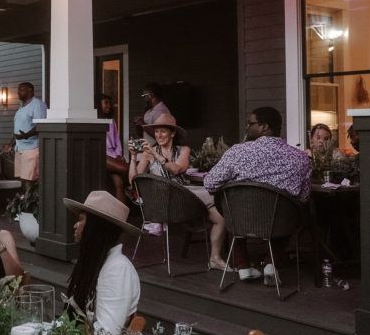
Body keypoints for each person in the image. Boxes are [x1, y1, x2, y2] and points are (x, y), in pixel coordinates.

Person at [203, 106, 311, 285]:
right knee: (291, 212)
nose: (246, 127)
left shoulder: (238, 152)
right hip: (280, 222)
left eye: (250, 123)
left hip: (241, 219)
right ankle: (271, 264)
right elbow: (304, 197)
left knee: (235, 209)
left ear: (264, 127)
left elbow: (210, 183)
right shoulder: (300, 158)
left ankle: (243, 265)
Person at [128, 113, 230, 270]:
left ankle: (215, 258)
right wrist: (134, 158)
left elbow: (176, 170)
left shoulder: (183, 150)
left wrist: (156, 154)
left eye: (163, 131)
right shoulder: (149, 153)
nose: (158, 135)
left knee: (220, 217)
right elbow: (133, 180)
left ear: (173, 133)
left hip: (183, 195)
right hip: (162, 199)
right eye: (156, 132)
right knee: (214, 195)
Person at [63, 190, 141, 335]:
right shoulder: (97, 263)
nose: (75, 225)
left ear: (95, 228)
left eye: (81, 219)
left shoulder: (118, 269)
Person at [6, 82, 47, 189]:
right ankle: (24, 204)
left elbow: (41, 125)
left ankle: (30, 205)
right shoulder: (22, 107)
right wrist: (10, 144)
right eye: (18, 90)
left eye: (21, 89)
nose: (18, 92)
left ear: (30, 90)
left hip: (31, 148)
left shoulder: (37, 104)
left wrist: (27, 135)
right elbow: (19, 130)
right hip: (20, 148)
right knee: (23, 180)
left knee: (30, 180)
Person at [100, 95, 129, 204]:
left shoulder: (112, 121)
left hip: (113, 155)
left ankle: (121, 218)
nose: (109, 106)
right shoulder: (95, 121)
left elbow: (116, 141)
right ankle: (131, 187)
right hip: (102, 156)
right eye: (106, 103)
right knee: (125, 169)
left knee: (119, 183)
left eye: (109, 103)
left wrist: (119, 155)